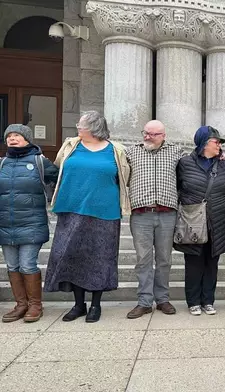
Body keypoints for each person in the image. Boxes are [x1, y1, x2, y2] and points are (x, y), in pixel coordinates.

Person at [44, 110, 130, 323]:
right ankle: (78, 304)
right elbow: (56, 171)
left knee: (100, 259)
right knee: (72, 257)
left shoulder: (116, 150)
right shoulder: (71, 146)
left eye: (81, 124)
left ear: (93, 127)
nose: (78, 127)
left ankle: (95, 305)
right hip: (71, 209)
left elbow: (125, 178)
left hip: (105, 213)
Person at [175, 126, 225, 316]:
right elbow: (176, 188)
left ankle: (208, 301)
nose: (220, 145)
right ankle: (193, 302)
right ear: (204, 143)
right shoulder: (185, 163)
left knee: (211, 264)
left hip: (218, 221)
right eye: (216, 142)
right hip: (192, 221)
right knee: (193, 264)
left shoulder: (223, 165)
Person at [124, 120, 186, 319]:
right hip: (141, 214)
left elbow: (194, 165)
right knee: (143, 259)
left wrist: (220, 156)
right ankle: (144, 302)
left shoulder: (176, 152)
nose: (147, 137)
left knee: (164, 259)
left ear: (163, 135)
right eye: (145, 133)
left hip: (167, 213)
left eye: (152, 134)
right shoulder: (131, 152)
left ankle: (162, 299)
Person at [0, 124, 58, 323]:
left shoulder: (40, 161)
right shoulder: (2, 163)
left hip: (32, 223)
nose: (12, 139)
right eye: (9, 136)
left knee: (27, 264)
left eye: (17, 135)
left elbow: (62, 181)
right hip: (5, 224)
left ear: (27, 139)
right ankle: (20, 305)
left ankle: (35, 306)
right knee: (12, 265)